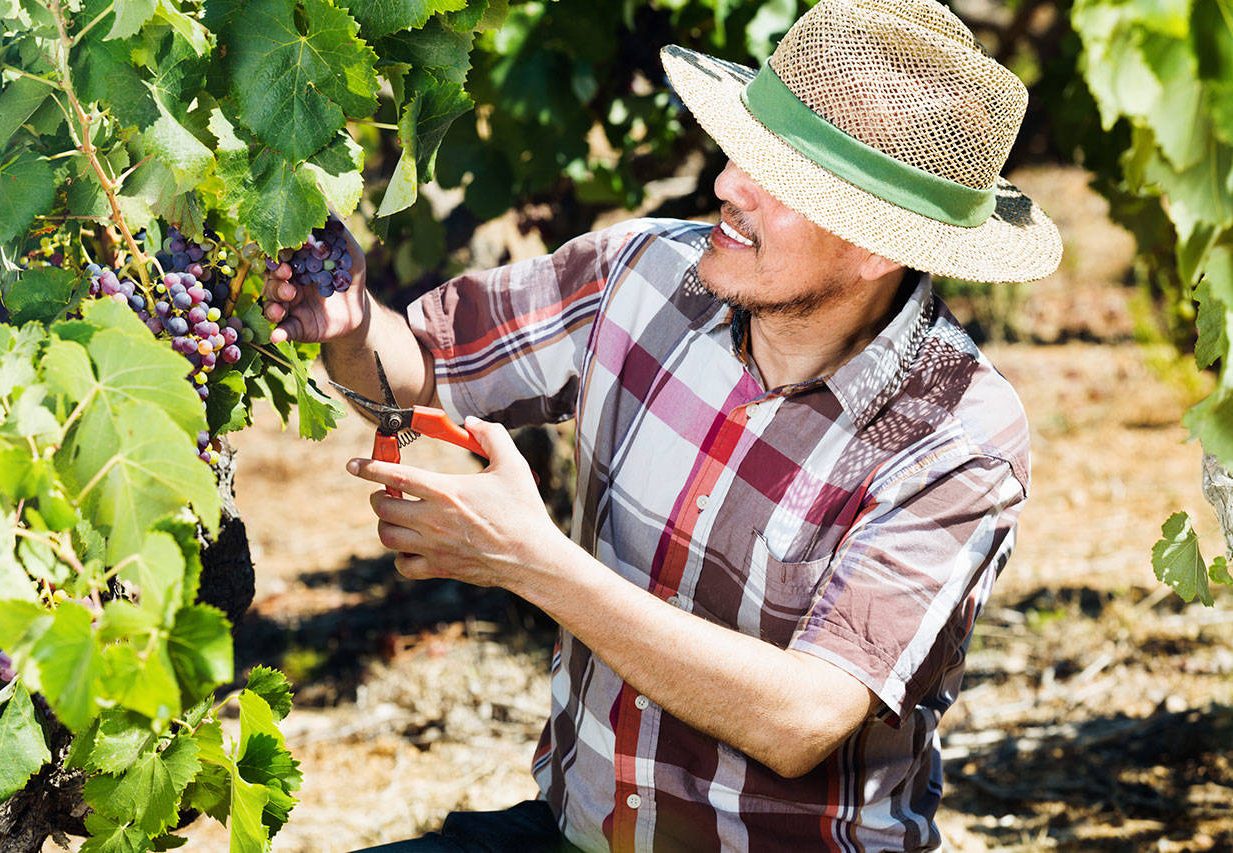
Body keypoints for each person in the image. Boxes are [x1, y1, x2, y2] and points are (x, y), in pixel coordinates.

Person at [263, 0, 1062, 849]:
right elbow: (424, 369)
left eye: (779, 175)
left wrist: (533, 563)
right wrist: (351, 324)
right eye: (742, 146)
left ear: (877, 248)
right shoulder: (648, 272)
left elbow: (806, 716)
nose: (726, 184)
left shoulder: (954, 430)